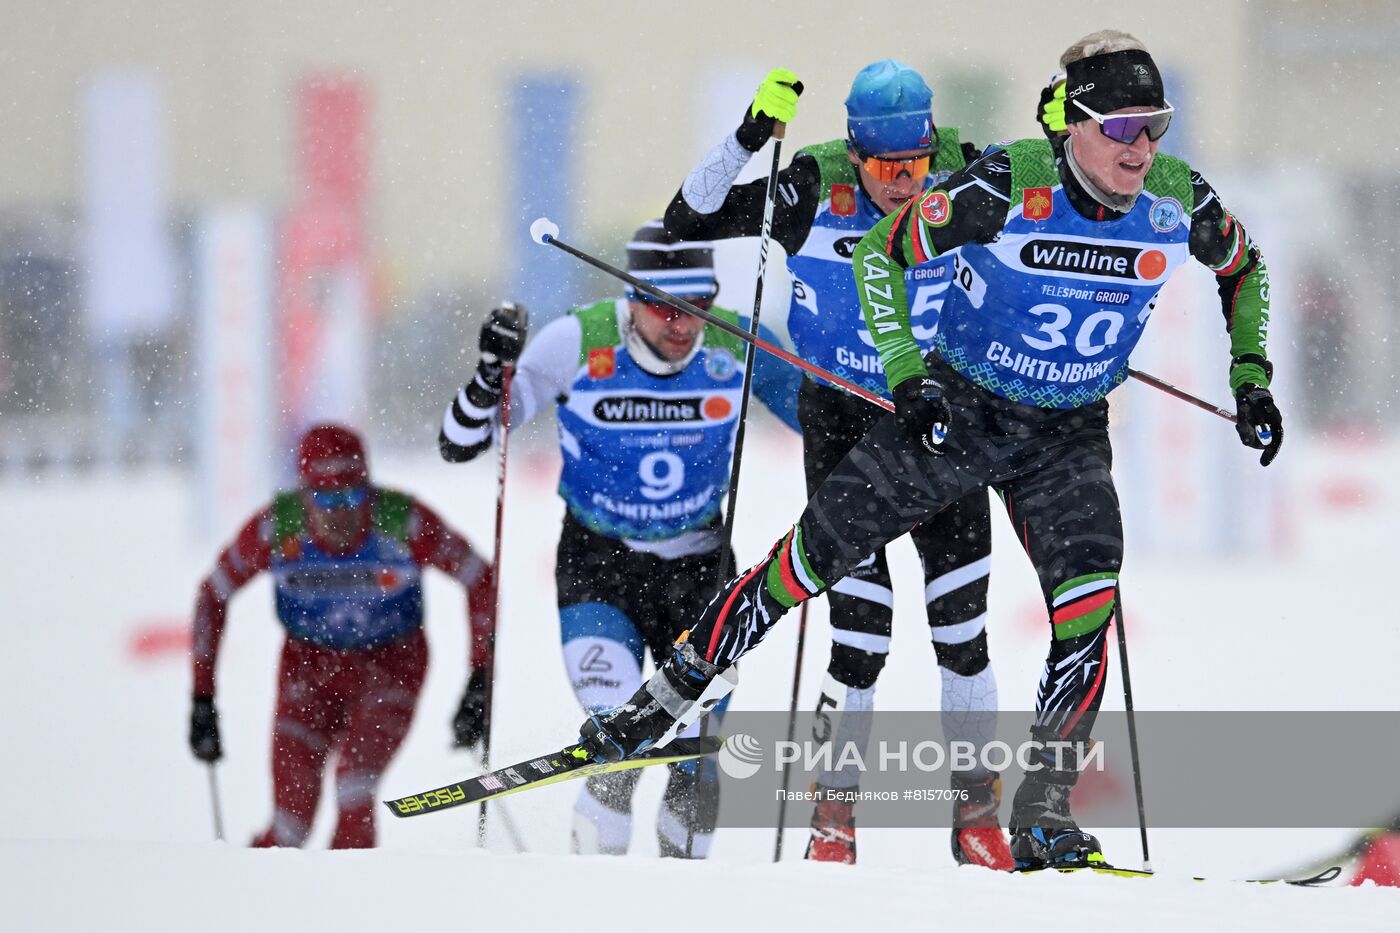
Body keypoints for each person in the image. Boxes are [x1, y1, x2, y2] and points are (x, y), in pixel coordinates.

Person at [579, 30, 1283, 873]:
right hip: (962, 408)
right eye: (1125, 128)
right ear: (1081, 129)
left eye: (1155, 127)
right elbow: (880, 255)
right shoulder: (1008, 182)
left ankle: (1041, 814)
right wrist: (910, 376)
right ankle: (665, 699)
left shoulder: (1177, 196)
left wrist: (1251, 376)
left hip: (1067, 433)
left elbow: (1245, 267)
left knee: (1085, 601)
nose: (1144, 148)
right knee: (810, 566)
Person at [665, 60, 1008, 867]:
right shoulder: (810, 185)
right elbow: (687, 219)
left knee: (964, 630)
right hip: (845, 423)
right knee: (859, 632)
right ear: (856, 154)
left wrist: (1062, 139)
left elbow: (1060, 210)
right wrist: (752, 135)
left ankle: (977, 816)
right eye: (885, 168)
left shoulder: (964, 168)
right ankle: (834, 814)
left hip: (939, 416)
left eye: (915, 164)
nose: (903, 183)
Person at [439, 221, 800, 859]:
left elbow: (826, 417)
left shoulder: (736, 345)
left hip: (701, 573)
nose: (683, 325)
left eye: (698, 305)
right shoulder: (578, 340)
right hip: (600, 565)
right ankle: (597, 898)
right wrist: (489, 374)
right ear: (631, 299)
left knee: (699, 761)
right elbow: (462, 441)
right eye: (664, 307)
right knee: (616, 744)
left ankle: (680, 897)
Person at [187, 423, 496, 848]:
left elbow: (481, 580)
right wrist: (202, 698)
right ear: (303, 494)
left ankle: (349, 903)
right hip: (308, 671)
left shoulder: (400, 521)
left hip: (390, 666)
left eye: (353, 495)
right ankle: (255, 904)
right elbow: (212, 595)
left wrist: (479, 679)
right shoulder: (277, 529)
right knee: (289, 825)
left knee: (354, 784)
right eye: (326, 498)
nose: (341, 511)